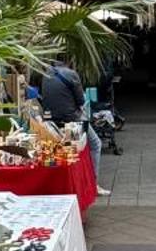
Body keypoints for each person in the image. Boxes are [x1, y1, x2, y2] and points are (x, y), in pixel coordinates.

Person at [38, 60, 110, 194]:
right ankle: (93, 185)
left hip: (50, 119)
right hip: (72, 119)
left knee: (57, 151)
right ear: (69, 62)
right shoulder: (71, 74)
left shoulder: (45, 75)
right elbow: (81, 101)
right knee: (95, 144)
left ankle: (57, 185)